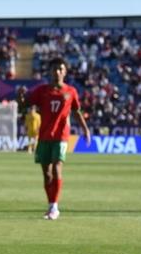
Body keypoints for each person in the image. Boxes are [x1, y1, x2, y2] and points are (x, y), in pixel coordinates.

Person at [16, 57, 91, 220]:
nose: (57, 72)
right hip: (44, 136)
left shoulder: (71, 91)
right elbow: (23, 106)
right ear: (50, 72)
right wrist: (20, 97)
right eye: (54, 69)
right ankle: (51, 205)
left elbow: (76, 112)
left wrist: (85, 129)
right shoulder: (42, 90)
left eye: (60, 69)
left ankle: (55, 207)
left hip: (61, 136)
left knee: (57, 168)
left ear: (65, 72)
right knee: (47, 174)